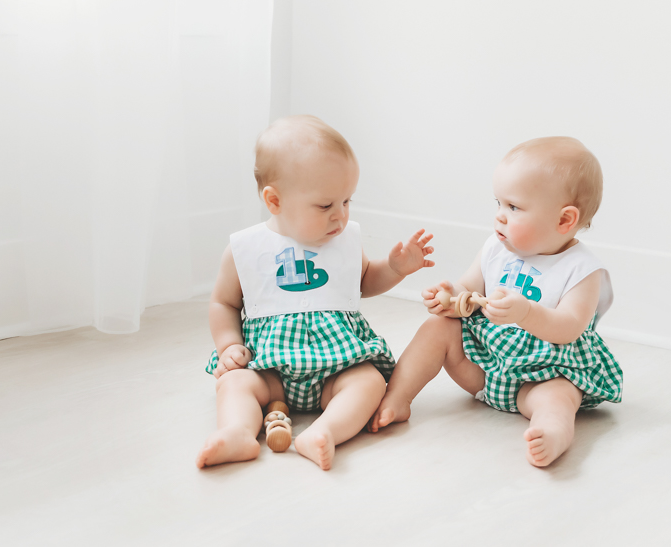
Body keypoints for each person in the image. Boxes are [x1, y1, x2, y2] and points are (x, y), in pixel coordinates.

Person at [196, 115, 434, 470]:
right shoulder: (245, 249)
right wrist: (229, 345)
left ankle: (324, 432)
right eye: (325, 206)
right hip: (268, 367)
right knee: (234, 383)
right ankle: (238, 432)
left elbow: (364, 282)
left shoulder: (344, 241)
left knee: (368, 382)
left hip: (336, 364)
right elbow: (223, 302)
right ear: (274, 201)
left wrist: (396, 268)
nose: (340, 216)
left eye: (347, 201)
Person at [369, 136, 622, 467]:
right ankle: (397, 396)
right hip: (485, 369)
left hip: (541, 377)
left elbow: (569, 329)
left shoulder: (582, 270)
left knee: (558, 397)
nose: (500, 217)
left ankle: (552, 430)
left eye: (514, 207)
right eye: (499, 204)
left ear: (564, 220)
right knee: (437, 327)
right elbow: (469, 290)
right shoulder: (495, 247)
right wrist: (452, 298)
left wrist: (526, 312)